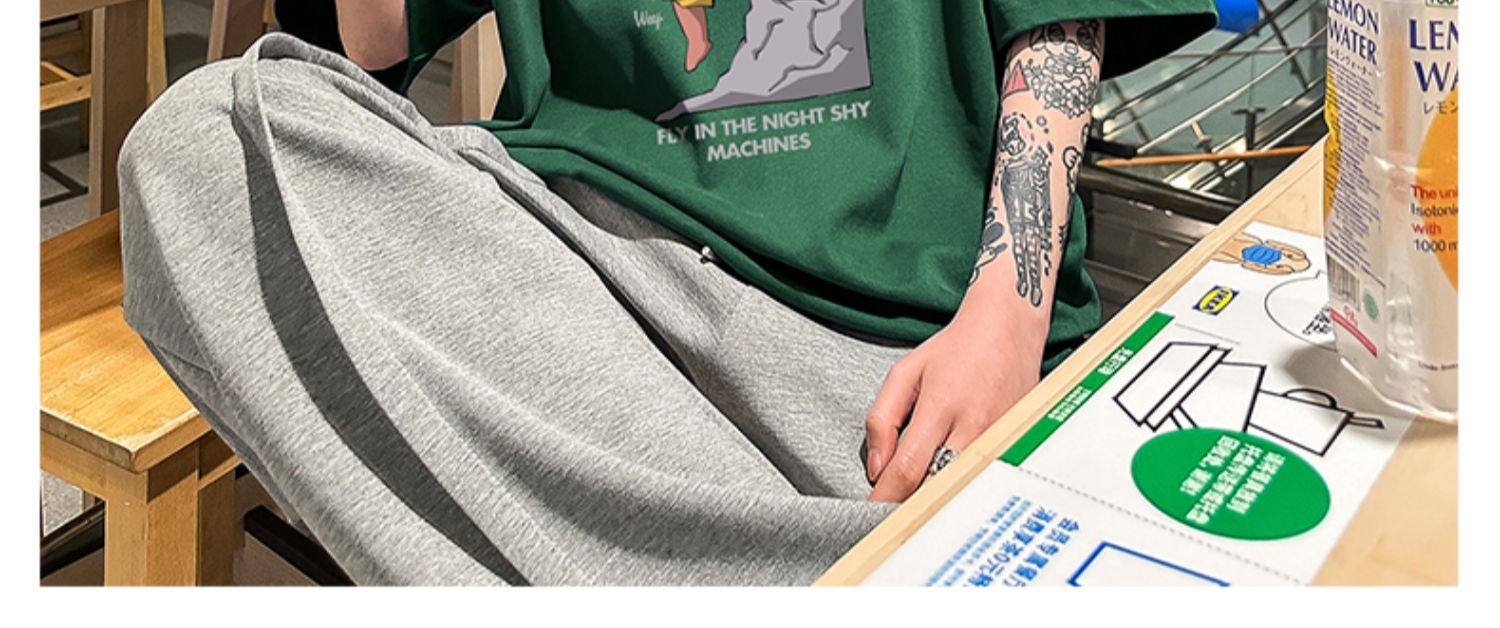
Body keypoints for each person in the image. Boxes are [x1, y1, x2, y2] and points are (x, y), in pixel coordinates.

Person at [118, 0, 1217, 585]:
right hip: (582, 279)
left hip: (881, 330)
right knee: (203, 144)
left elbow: (1058, 29)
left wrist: (1006, 315)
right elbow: (374, 33)